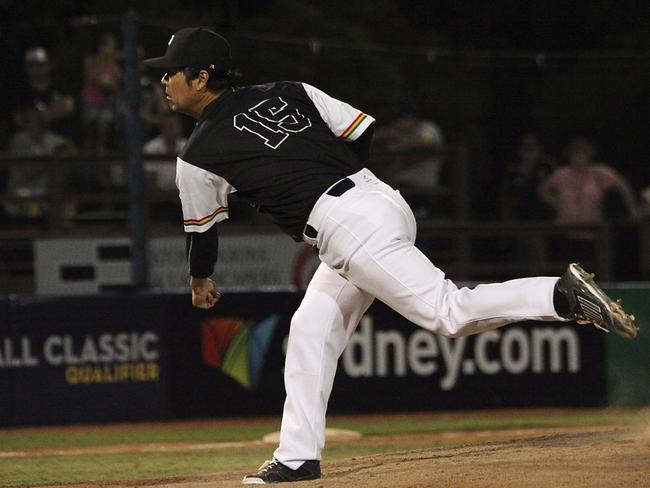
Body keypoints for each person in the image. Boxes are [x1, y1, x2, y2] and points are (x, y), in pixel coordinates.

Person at [144, 27, 638, 484]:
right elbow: (361, 131)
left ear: (202, 77)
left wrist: (199, 281)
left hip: (346, 226)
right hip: (377, 199)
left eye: (171, 71)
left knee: (447, 312)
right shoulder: (290, 90)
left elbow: (203, 232)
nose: (164, 80)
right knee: (313, 328)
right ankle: (298, 455)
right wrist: (332, 182)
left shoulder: (198, 153)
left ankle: (560, 294)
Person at [538, 137, 640, 258]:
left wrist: (632, 209)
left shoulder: (599, 173)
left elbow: (623, 186)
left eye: (582, 154)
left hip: (592, 233)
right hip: (564, 232)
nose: (578, 158)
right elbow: (543, 190)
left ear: (589, 155)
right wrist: (555, 203)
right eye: (575, 154)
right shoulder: (561, 174)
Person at [12, 46, 76, 139]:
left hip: (59, 139)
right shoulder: (21, 92)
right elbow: (18, 119)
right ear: (26, 68)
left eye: (41, 64)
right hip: (30, 139)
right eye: (32, 65)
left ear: (49, 65)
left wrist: (41, 116)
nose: (37, 69)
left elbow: (68, 106)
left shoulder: (59, 87)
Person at [81, 33, 123, 154]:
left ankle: (102, 168)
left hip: (105, 106)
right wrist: (106, 64)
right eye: (110, 47)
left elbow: (118, 84)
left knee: (102, 139)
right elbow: (91, 77)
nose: (113, 50)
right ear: (101, 47)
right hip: (90, 103)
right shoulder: (90, 60)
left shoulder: (114, 66)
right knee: (89, 139)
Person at [500, 133, 555, 220]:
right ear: (520, 150)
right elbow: (507, 199)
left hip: (545, 221)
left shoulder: (547, 167)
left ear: (539, 150)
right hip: (520, 221)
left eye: (533, 148)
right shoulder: (513, 171)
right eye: (526, 148)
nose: (529, 152)